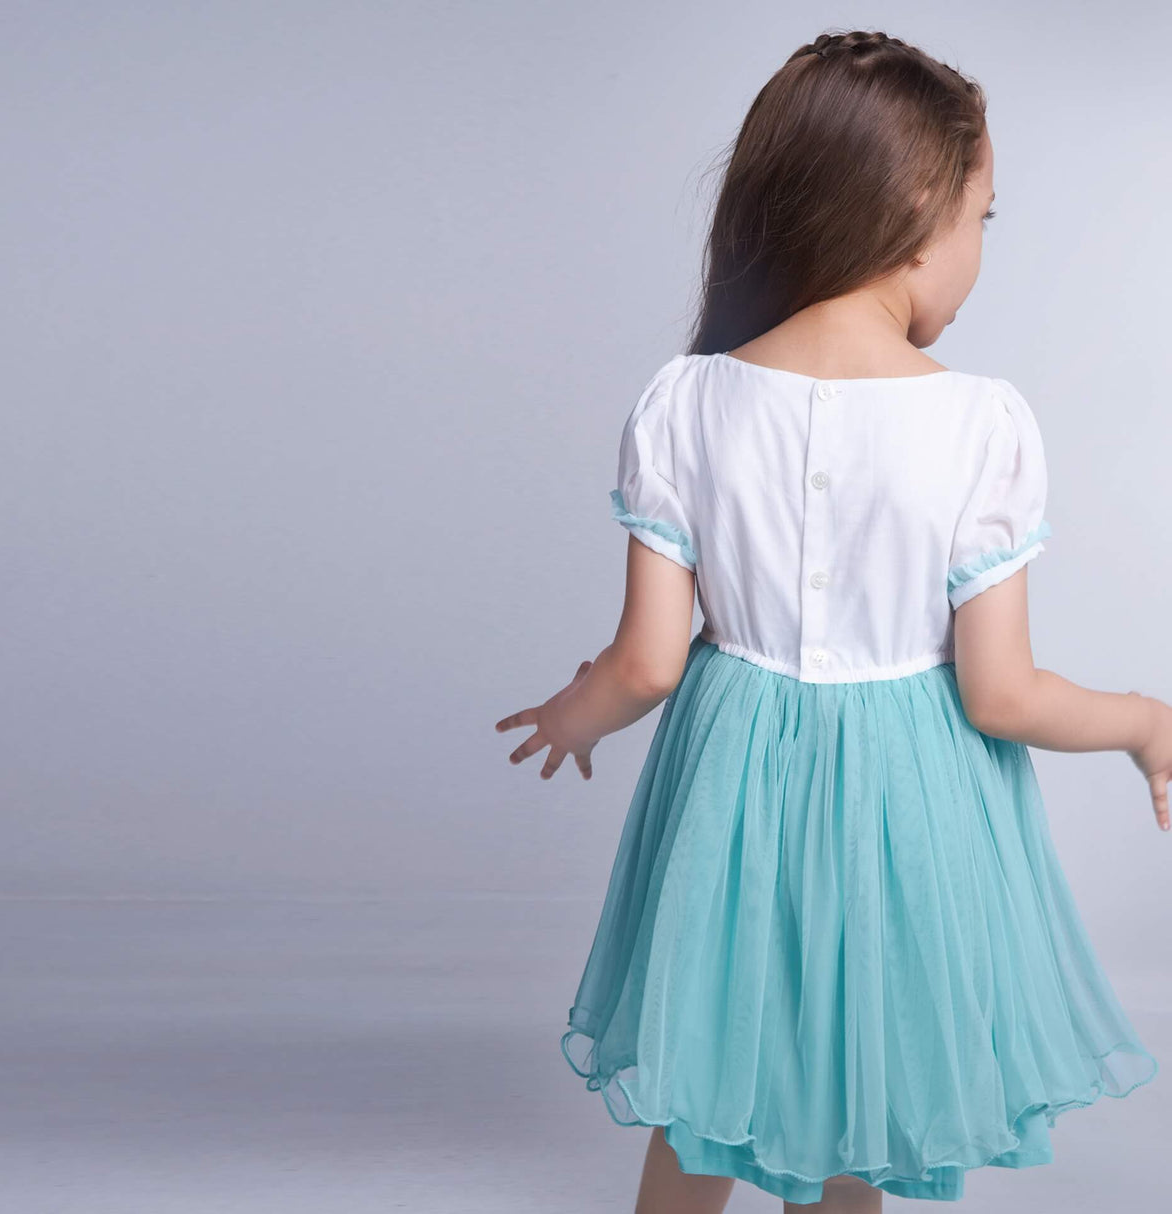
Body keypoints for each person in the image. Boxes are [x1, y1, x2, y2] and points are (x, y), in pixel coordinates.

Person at [493, 28, 1165, 1212]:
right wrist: (1143, 721)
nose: (979, 252)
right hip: (909, 795)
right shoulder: (978, 421)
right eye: (983, 219)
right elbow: (998, 694)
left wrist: (570, 713)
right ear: (915, 209)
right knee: (860, 1071)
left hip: (730, 782)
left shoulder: (684, 398)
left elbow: (649, 662)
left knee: (703, 1079)